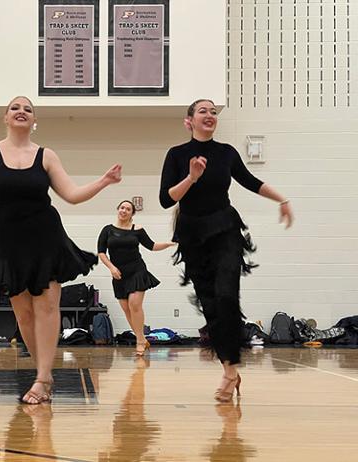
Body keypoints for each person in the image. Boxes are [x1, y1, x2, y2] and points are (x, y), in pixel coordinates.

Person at [0, 96, 122, 404]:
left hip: (45, 235)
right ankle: (44, 372)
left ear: (33, 120)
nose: (21, 111)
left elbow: (71, 194)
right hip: (9, 239)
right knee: (24, 315)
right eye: (15, 108)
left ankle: (42, 378)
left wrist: (105, 181)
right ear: (5, 117)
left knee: (46, 306)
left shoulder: (46, 156)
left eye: (27, 109)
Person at [159, 99, 294, 402]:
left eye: (213, 112)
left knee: (226, 296)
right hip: (193, 236)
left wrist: (282, 199)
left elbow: (251, 181)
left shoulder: (226, 153)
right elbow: (166, 199)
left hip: (225, 230)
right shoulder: (177, 155)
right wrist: (191, 177)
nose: (209, 115)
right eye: (202, 111)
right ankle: (230, 368)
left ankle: (230, 373)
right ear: (188, 121)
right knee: (211, 305)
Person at [97, 200, 175, 356]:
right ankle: (141, 338)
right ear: (118, 209)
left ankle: (139, 341)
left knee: (134, 304)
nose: (124, 210)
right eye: (122, 208)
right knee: (126, 309)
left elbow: (152, 246)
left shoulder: (137, 230)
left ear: (132, 214)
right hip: (119, 273)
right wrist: (111, 268)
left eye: (128, 209)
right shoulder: (107, 230)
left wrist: (168, 243)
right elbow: (101, 252)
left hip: (137, 270)